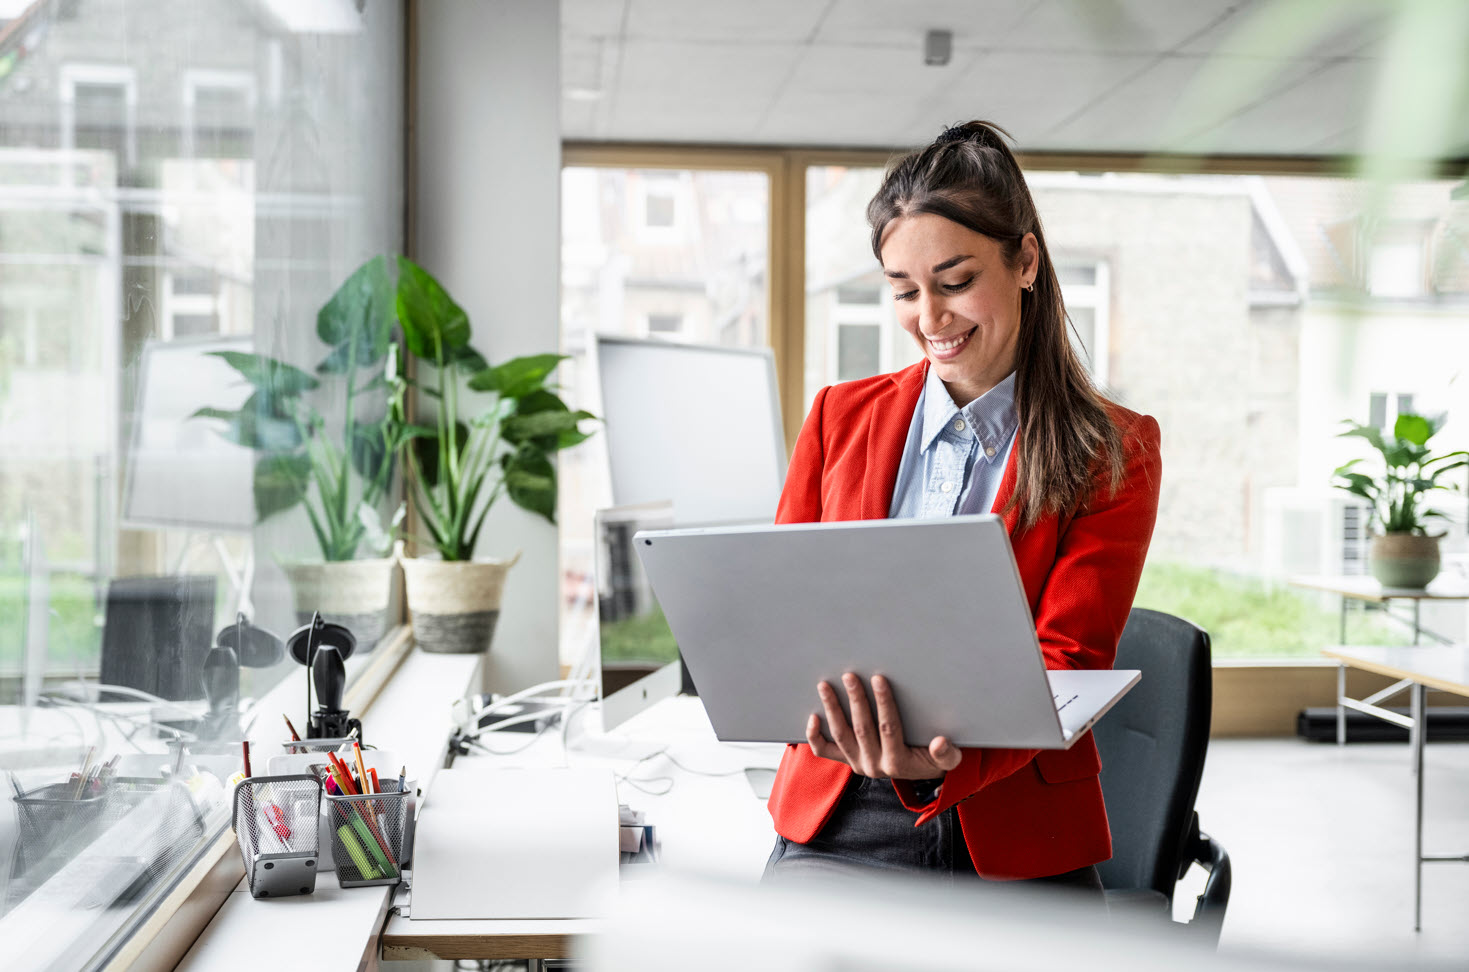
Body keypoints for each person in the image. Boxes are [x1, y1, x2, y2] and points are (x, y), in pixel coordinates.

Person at [762, 120, 1162, 892]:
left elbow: (1067, 663)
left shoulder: (1112, 447)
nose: (929, 318)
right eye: (903, 291)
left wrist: (934, 766)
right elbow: (786, 612)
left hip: (1011, 818)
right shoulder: (837, 418)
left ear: (1025, 262)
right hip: (838, 805)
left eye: (953, 282)